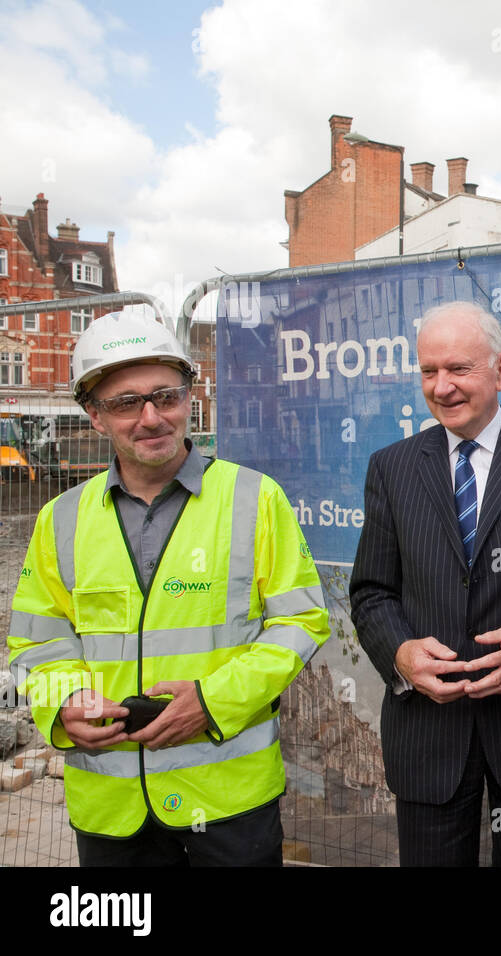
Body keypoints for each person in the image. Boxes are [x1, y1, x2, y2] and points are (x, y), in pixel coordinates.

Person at [7, 311, 328, 866]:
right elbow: (38, 643)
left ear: (188, 398)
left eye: (165, 396)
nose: (151, 417)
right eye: (126, 402)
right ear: (95, 415)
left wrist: (211, 702)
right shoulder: (60, 520)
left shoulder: (254, 498)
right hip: (111, 805)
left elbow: (300, 622)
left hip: (229, 800)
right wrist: (62, 707)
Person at [351, 301, 501, 866]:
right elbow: (371, 591)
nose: (442, 386)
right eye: (429, 371)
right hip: (428, 734)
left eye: (458, 369)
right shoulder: (393, 467)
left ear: (500, 370)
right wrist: (403, 654)